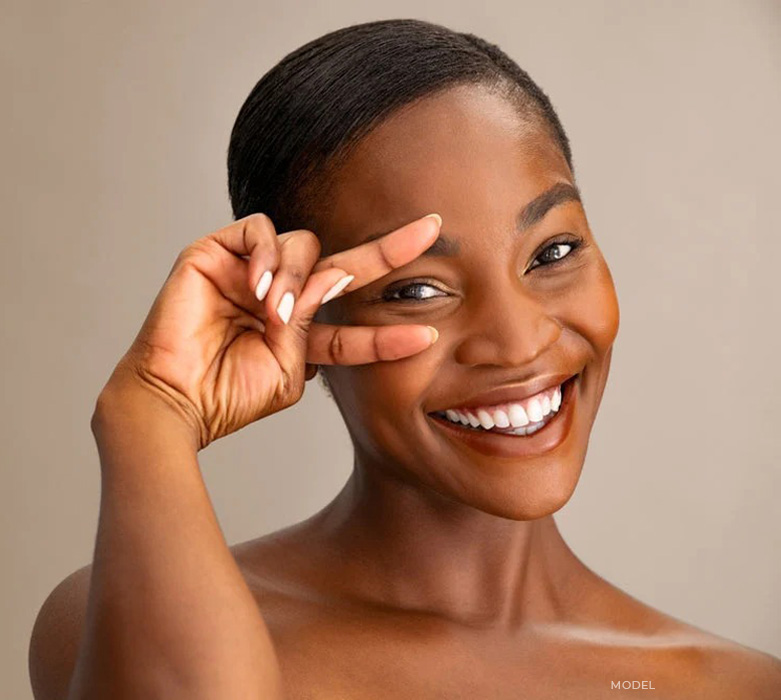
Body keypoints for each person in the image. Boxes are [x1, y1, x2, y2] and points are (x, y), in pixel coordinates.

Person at [28, 18, 781, 700]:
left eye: (552, 251)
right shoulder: (111, 622)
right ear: (297, 317)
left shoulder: (734, 686)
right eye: (417, 289)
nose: (518, 343)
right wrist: (149, 412)